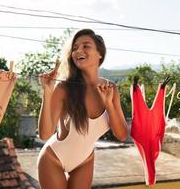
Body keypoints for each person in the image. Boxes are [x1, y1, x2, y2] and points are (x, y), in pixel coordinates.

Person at [37, 29, 127, 189]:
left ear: (100, 54)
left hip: (84, 161)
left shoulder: (110, 88)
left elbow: (121, 135)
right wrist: (47, 93)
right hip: (53, 158)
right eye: (75, 47)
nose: (79, 50)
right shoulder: (64, 87)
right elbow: (44, 134)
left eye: (86, 46)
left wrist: (109, 104)